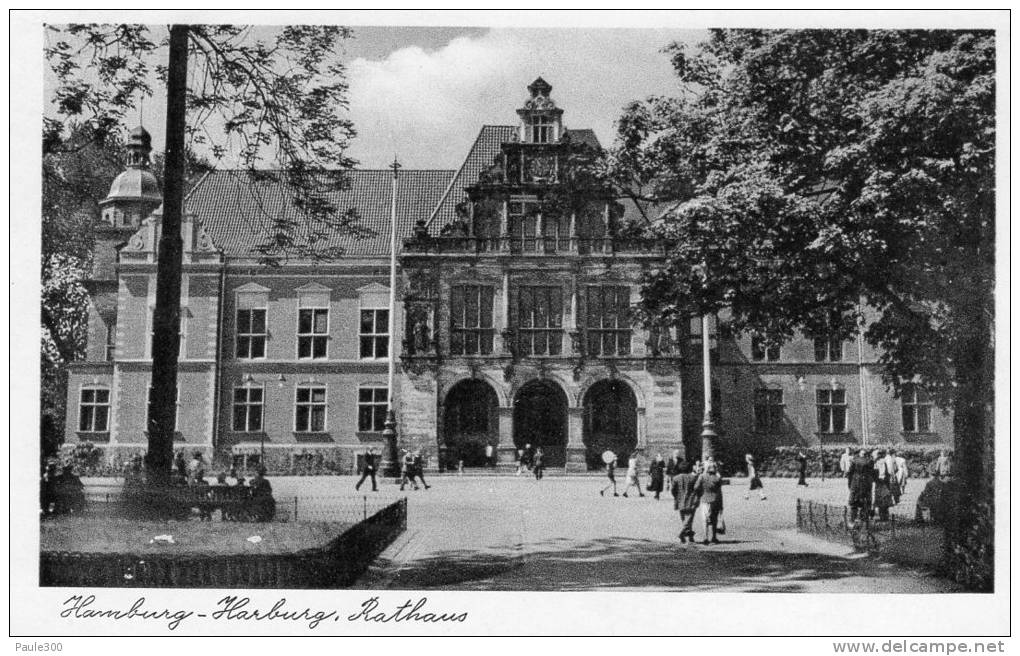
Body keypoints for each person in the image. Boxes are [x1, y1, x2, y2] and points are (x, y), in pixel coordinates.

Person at [693, 462, 724, 544]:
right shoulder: (717, 478)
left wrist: (700, 492)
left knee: (705, 520)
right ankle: (714, 537)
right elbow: (719, 489)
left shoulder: (702, 477)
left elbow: (695, 487)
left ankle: (705, 538)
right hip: (715, 500)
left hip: (704, 500)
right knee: (714, 519)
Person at [671, 460, 701, 543]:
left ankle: (689, 537)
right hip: (691, 500)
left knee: (684, 519)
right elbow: (697, 489)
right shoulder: (693, 478)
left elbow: (673, 490)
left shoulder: (676, 478)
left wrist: (676, 496)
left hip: (680, 500)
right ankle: (682, 533)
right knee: (689, 519)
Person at [847, 449, 875, 525]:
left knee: (854, 502)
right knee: (865, 502)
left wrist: (850, 484)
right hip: (865, 483)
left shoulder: (854, 460)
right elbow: (872, 472)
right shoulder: (869, 461)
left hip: (855, 483)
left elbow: (850, 472)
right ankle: (864, 520)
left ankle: (852, 520)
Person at [873, 449, 895, 520]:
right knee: (884, 499)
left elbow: (876, 473)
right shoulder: (883, 461)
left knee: (880, 499)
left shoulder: (877, 462)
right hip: (884, 482)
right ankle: (884, 515)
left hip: (880, 482)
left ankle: (882, 515)